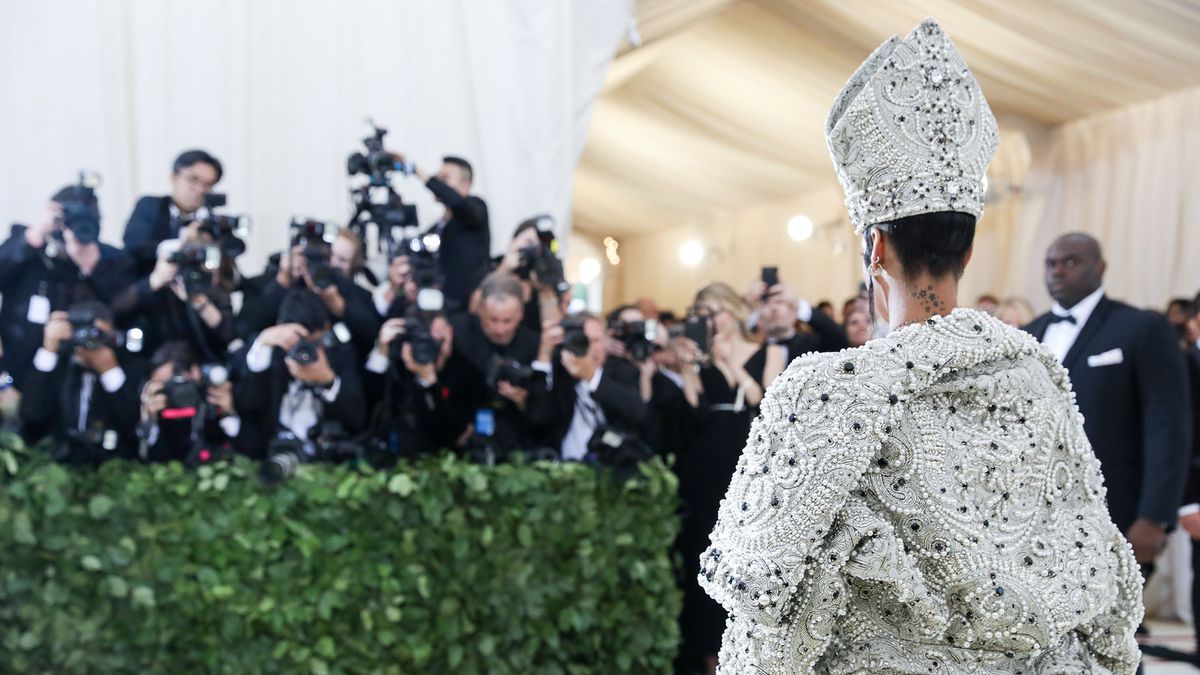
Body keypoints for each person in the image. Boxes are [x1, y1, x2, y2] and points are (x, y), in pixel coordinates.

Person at [700, 18, 1141, 674]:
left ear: (873, 247)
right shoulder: (1038, 377)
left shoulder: (827, 389)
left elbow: (759, 596)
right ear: (967, 247)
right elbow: (1091, 560)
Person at [1024, 233, 1191, 558]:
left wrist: (1155, 515)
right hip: (1033, 515)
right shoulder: (1028, 333)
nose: (1058, 271)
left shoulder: (1141, 328)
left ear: (1100, 267)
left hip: (1115, 509)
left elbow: (1168, 423)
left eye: (1071, 262)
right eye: (1051, 264)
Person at [679, 281, 765, 675]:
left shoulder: (770, 351)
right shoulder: (702, 359)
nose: (711, 321)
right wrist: (688, 368)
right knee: (705, 569)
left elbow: (761, 401)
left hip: (746, 470)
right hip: (705, 471)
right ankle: (709, 661)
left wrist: (729, 363)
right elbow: (693, 409)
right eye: (702, 315)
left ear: (732, 311)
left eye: (715, 312)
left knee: (743, 568)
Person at [0, 186, 136, 393]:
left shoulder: (112, 260)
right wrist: (35, 236)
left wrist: (91, 267)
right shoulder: (30, 252)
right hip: (22, 373)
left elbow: (125, 309)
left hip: (89, 376)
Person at [232, 289, 367, 459]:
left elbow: (357, 419)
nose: (304, 352)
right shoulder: (265, 351)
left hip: (323, 457)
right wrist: (263, 345)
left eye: (313, 342)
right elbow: (246, 403)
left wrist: (328, 381)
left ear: (326, 329)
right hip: (270, 455)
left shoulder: (341, 354)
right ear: (281, 327)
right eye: (296, 343)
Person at [19, 300, 143, 464]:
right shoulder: (56, 365)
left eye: (100, 334)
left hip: (109, 466)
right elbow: (31, 415)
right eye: (87, 332)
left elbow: (133, 426)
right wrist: (48, 349)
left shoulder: (129, 366)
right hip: (54, 463)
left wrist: (110, 371)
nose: (92, 340)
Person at [440, 272, 542, 455]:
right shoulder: (456, 333)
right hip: (462, 439)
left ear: (520, 314)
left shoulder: (534, 344)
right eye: (492, 320)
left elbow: (544, 409)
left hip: (516, 442)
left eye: (507, 321)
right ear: (480, 310)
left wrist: (524, 401)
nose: (500, 329)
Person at [526, 312, 649, 461]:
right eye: (583, 342)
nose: (591, 349)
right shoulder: (560, 372)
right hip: (562, 465)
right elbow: (537, 416)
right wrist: (544, 354)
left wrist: (591, 376)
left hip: (610, 466)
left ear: (606, 341)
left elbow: (637, 412)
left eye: (596, 340)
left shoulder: (622, 371)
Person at [387, 152, 490, 311]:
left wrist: (416, 171)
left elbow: (458, 204)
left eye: (444, 179)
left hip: (465, 308)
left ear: (465, 185)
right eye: (436, 178)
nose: (437, 184)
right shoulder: (437, 228)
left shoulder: (476, 208)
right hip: (437, 305)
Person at [136, 342, 240, 464]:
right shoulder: (159, 408)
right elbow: (149, 459)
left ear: (195, 372)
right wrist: (149, 419)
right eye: (164, 386)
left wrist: (228, 413)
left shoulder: (213, 397)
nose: (173, 391)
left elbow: (243, 451)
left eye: (174, 382)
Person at [123, 150, 223, 276]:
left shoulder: (210, 221)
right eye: (193, 180)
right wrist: (182, 243)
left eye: (207, 184)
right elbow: (134, 244)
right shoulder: (150, 205)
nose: (199, 190)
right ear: (174, 177)